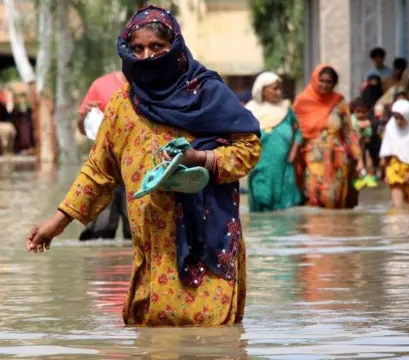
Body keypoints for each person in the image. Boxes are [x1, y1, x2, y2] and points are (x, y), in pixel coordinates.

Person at [26, 6, 261, 326]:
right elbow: (98, 171)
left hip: (206, 242)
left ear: (174, 47)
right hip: (151, 243)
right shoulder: (123, 104)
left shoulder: (206, 92)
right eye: (137, 49)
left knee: (211, 337)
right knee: (153, 330)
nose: (147, 56)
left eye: (156, 47)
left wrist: (200, 159)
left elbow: (248, 148)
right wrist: (58, 222)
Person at [293, 65, 363, 209]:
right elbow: (295, 131)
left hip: (337, 160)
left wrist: (358, 157)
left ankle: (334, 230)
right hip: (312, 158)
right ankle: (315, 231)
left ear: (334, 83)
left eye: (329, 82)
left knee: (335, 200)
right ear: (315, 80)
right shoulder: (302, 102)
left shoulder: (339, 102)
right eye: (322, 81)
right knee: (313, 196)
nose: (325, 85)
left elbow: (348, 132)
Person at [76, 71, 132, 241]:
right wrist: (85, 115)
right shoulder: (100, 85)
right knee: (101, 231)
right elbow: (82, 129)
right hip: (107, 168)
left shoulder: (154, 85)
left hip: (138, 170)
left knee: (139, 233)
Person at [246, 72, 302, 212]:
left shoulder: (286, 108)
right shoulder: (251, 110)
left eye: (280, 89)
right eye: (274, 88)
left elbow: (298, 132)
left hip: (284, 163)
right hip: (260, 163)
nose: (279, 92)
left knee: (283, 203)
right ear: (263, 90)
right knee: (261, 198)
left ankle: (281, 233)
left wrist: (293, 153)